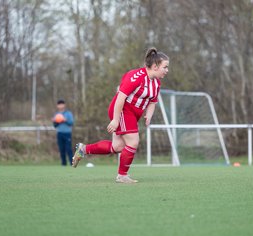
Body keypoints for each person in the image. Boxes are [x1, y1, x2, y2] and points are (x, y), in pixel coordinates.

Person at [72, 47, 169, 183]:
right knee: (133, 142)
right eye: (165, 67)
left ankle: (83, 149)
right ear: (155, 66)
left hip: (133, 115)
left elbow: (153, 101)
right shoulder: (136, 76)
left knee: (117, 147)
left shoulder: (156, 83)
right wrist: (115, 120)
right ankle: (122, 175)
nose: (167, 70)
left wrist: (149, 115)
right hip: (123, 110)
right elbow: (120, 98)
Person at [52, 99, 74, 166]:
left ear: (64, 105)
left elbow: (71, 123)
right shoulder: (56, 114)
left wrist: (64, 120)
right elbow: (55, 126)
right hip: (60, 133)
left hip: (67, 133)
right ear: (57, 106)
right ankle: (63, 164)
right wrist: (55, 121)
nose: (60, 105)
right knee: (61, 149)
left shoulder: (68, 113)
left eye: (62, 104)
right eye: (59, 104)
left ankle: (72, 163)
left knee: (68, 149)